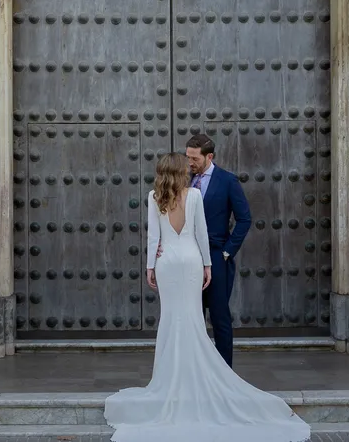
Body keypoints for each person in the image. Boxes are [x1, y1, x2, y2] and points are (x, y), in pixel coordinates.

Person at [104, 153, 310, 442]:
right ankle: (193, 381)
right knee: (192, 320)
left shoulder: (154, 196)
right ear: (180, 171)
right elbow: (201, 234)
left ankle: (167, 382)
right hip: (189, 261)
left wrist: (150, 266)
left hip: (166, 264)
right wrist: (208, 266)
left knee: (171, 319)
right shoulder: (195, 196)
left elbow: (154, 237)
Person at [185, 132, 251, 367]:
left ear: (209, 156)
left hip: (216, 255)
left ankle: (225, 373)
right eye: (188, 158)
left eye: (194, 159)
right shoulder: (186, 180)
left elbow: (245, 219)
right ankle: (198, 370)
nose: (190, 163)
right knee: (193, 316)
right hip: (188, 255)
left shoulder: (228, 181)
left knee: (219, 316)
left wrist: (226, 252)